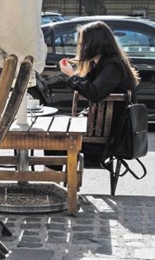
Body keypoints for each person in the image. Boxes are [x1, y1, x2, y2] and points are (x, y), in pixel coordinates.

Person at [58, 20, 140, 165]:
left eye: (83, 43)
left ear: (95, 44)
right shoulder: (103, 63)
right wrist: (75, 74)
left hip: (104, 141)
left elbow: (95, 93)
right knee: (54, 140)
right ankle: (60, 184)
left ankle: (54, 186)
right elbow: (89, 87)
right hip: (100, 133)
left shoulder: (112, 65)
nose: (80, 47)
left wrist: (72, 76)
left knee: (54, 143)